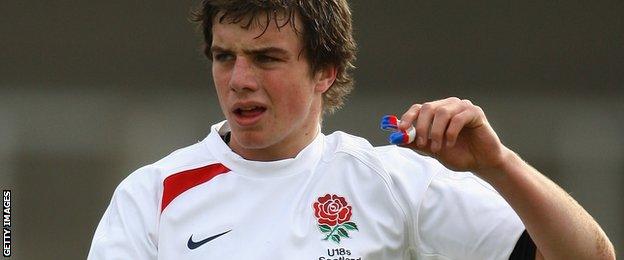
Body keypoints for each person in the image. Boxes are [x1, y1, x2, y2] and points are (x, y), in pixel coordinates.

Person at [87, 1, 615, 259]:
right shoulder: (151, 195)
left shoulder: (387, 181)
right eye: (225, 57)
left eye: (267, 58)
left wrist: (499, 165)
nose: (239, 81)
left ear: (325, 71)